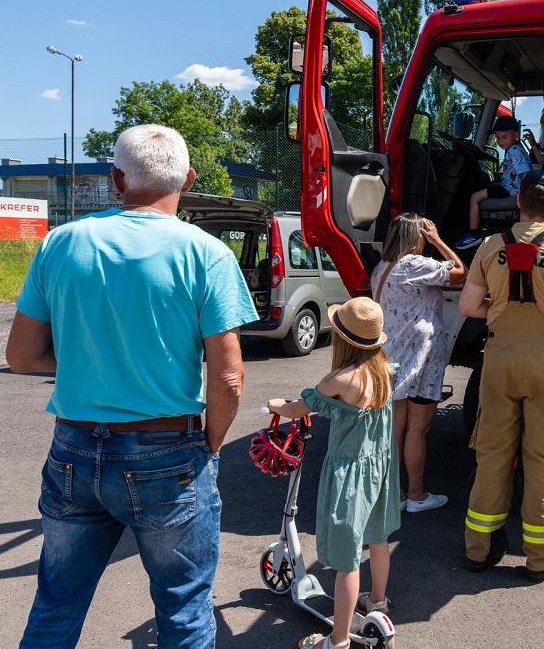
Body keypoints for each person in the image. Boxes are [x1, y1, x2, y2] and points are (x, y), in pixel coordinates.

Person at [7, 124, 259, 648]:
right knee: (184, 610)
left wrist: (83, 360)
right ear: (188, 180)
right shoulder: (207, 253)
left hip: (74, 447)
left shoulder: (61, 242)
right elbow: (229, 377)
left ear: (116, 178)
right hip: (170, 451)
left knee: (56, 605)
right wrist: (209, 443)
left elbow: (22, 356)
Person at [459, 169, 544, 581]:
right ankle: (541, 557)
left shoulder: (488, 246)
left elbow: (468, 307)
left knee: (494, 453)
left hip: (499, 356)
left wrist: (500, 312)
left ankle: (480, 549)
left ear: (518, 203)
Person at [268, 297, 400, 649]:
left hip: (351, 476)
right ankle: (377, 600)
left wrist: (276, 405)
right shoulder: (385, 371)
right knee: (378, 538)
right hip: (381, 467)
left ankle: (337, 640)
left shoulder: (340, 379)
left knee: (346, 558)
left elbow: (299, 408)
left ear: (342, 339)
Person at [371, 213, 466, 513]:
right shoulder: (414, 264)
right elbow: (462, 272)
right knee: (417, 429)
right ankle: (416, 495)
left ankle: (396, 494)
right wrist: (440, 241)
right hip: (422, 359)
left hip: (392, 357)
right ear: (416, 238)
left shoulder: (381, 268)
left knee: (396, 428)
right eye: (424, 235)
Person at [454, 114, 532, 250]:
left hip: (511, 190)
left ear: (515, 135)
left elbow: (525, 173)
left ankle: (473, 234)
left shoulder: (514, 151)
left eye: (504, 137)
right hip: (509, 187)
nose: (500, 141)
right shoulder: (514, 149)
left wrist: (524, 194)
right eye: (497, 138)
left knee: (474, 197)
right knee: (489, 188)